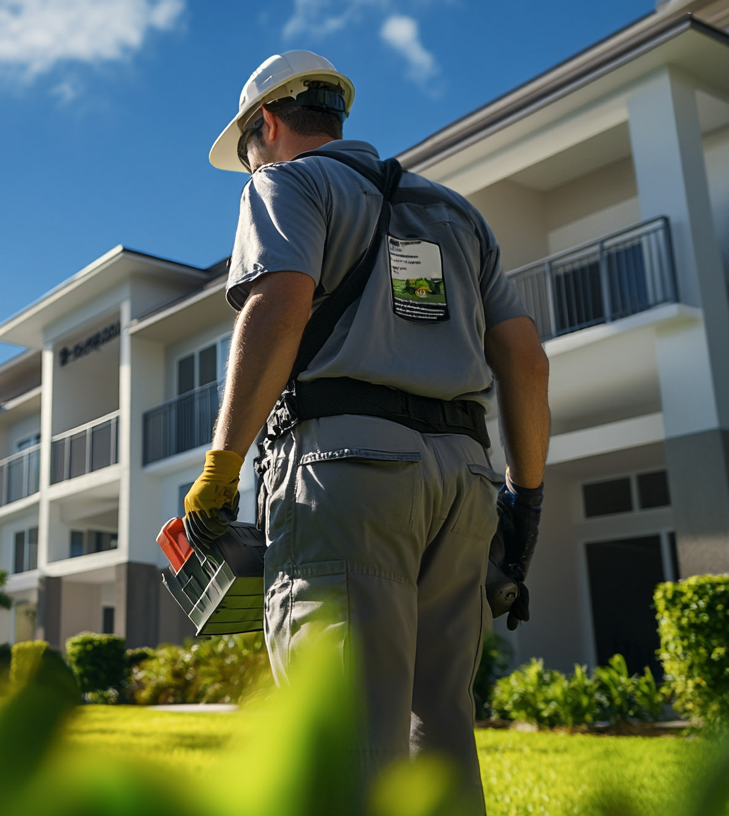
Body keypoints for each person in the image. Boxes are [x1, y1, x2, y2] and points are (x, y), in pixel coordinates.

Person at [183, 51, 550, 810]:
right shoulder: (456, 215)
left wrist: (221, 469)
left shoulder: (286, 183)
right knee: (439, 728)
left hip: (347, 475)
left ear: (269, 125)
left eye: (249, 150)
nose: (253, 164)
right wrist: (528, 506)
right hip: (465, 484)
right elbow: (525, 360)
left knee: (348, 732)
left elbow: (277, 308)